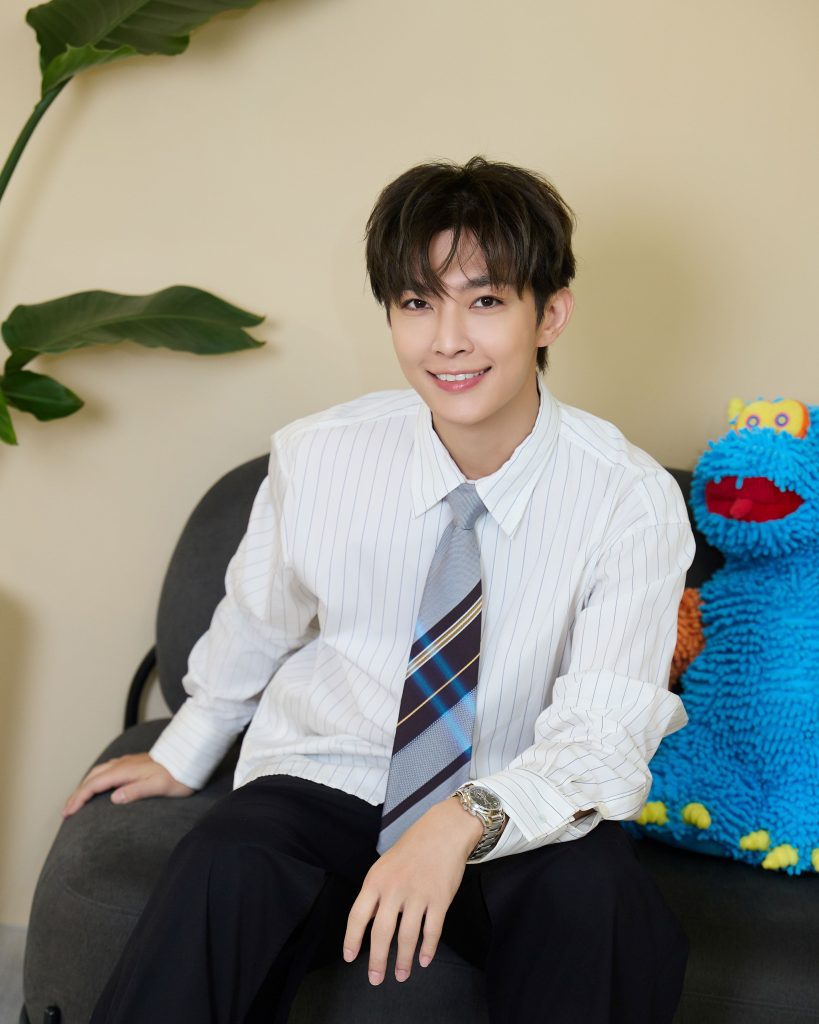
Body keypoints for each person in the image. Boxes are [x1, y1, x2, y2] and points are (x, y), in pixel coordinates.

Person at [65, 155, 695, 1023]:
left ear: (550, 313)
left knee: (603, 905)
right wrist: (186, 747)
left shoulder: (629, 498)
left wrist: (459, 821)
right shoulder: (317, 456)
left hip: (518, 802)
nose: (447, 341)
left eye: (484, 301)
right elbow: (261, 618)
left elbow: (602, 736)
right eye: (415, 303)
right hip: (332, 779)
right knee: (227, 863)